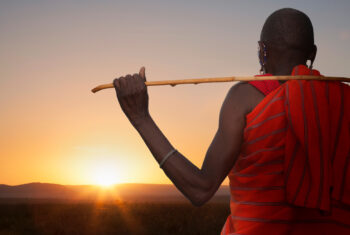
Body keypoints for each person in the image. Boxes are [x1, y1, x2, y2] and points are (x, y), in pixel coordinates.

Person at [113, 8, 350, 234]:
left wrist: (140, 118)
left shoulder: (245, 98)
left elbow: (200, 189)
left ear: (262, 50)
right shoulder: (342, 102)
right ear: (313, 53)